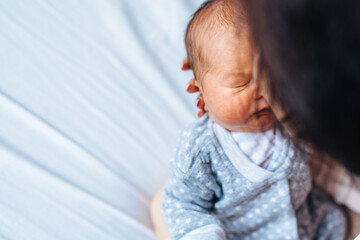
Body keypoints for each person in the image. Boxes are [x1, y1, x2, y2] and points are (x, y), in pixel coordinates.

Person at [158, 0, 346, 239]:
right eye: (241, 83)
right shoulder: (200, 150)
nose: (264, 91)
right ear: (200, 90)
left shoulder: (289, 115)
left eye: (273, 75)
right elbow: (182, 204)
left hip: (312, 222)